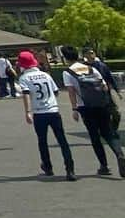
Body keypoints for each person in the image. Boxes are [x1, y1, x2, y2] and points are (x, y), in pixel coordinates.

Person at [61, 44, 125, 177]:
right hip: (102, 105)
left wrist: (74, 109)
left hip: (85, 107)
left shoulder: (67, 72)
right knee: (108, 132)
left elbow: (71, 92)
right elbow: (105, 86)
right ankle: (119, 154)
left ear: (65, 58)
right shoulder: (91, 68)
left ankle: (104, 165)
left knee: (95, 136)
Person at [16, 49, 75, 180]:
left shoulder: (24, 78)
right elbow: (56, 92)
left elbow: (25, 95)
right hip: (53, 110)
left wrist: (27, 112)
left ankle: (48, 167)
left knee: (42, 141)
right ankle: (70, 169)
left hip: (39, 112)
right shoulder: (45, 75)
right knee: (62, 140)